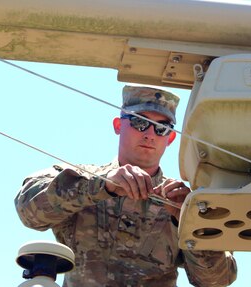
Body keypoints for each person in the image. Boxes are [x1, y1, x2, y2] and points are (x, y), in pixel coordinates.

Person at [14, 85, 237, 287]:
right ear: (119, 125)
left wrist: (190, 224)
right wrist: (101, 184)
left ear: (169, 138)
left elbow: (217, 280)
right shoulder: (82, 178)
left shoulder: (184, 202)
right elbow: (28, 210)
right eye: (140, 122)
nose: (150, 134)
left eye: (161, 128)